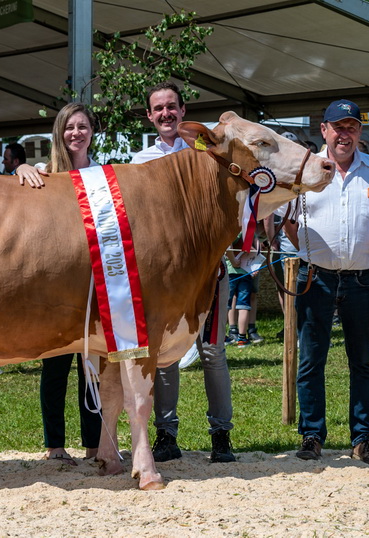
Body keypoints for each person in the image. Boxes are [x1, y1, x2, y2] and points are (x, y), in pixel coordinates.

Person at [130, 82, 235, 463]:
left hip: (208, 270)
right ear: (149, 115)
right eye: (158, 108)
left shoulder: (208, 153)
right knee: (164, 355)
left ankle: (221, 434)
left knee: (213, 351)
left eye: (171, 107)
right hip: (165, 277)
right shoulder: (139, 163)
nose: (165, 114)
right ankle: (166, 435)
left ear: (183, 110)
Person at [282, 99, 369, 465]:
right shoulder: (306, 170)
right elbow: (289, 222)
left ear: (360, 131)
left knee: (363, 360)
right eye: (337, 127)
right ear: (324, 130)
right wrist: (312, 258)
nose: (345, 133)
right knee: (312, 359)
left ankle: (362, 438)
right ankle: (312, 435)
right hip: (317, 278)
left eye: (352, 126)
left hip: (363, 279)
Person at [13, 103, 103, 462]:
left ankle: (94, 445)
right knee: (54, 369)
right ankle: (55, 446)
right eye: (69, 127)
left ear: (92, 132)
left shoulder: (103, 177)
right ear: (59, 133)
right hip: (54, 289)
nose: (76, 133)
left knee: (91, 371)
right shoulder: (44, 173)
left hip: (94, 286)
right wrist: (19, 168)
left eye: (82, 127)